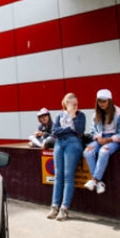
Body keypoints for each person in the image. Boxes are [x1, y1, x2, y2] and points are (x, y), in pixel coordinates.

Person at [46, 93, 86, 221]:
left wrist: (72, 117)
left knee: (68, 175)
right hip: (59, 143)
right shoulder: (59, 115)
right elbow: (54, 131)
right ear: (65, 103)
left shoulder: (80, 115)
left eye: (75, 103)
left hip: (73, 144)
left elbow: (79, 131)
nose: (74, 106)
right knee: (58, 175)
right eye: (71, 103)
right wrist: (69, 128)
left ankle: (64, 208)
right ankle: (54, 206)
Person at [82, 89, 120, 194]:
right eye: (99, 101)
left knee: (104, 151)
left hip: (114, 140)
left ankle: (95, 180)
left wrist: (109, 139)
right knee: (87, 151)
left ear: (110, 101)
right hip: (100, 138)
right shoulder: (96, 114)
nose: (102, 104)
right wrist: (98, 138)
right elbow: (92, 132)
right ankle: (99, 182)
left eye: (104, 101)